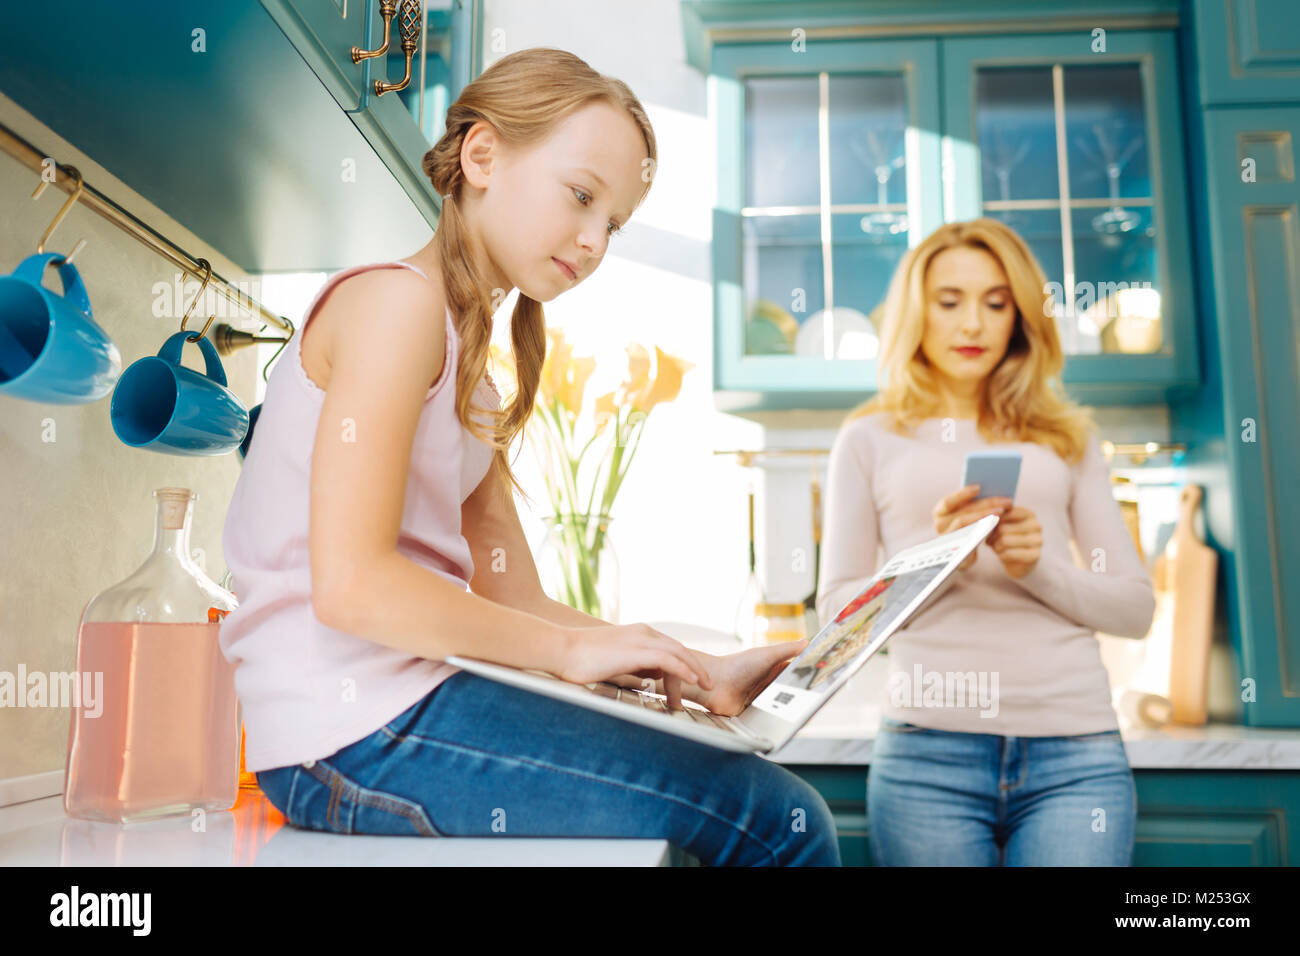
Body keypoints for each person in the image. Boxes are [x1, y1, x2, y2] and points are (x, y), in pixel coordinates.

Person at [220, 47, 838, 866]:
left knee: (765, 808)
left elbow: (515, 595)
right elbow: (353, 586)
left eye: (612, 224)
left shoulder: (469, 365)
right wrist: (578, 656)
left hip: (391, 713)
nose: (592, 242)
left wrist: (699, 670)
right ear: (482, 156)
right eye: (581, 196)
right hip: (347, 731)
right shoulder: (394, 305)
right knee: (773, 820)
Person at [817, 218, 1156, 866]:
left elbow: (1135, 611)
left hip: (1075, 751)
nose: (973, 324)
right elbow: (834, 618)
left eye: (996, 303)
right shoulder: (868, 438)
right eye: (950, 302)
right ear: (918, 311)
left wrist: (1038, 568)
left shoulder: (1067, 438)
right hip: (925, 755)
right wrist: (934, 567)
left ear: (1020, 317)